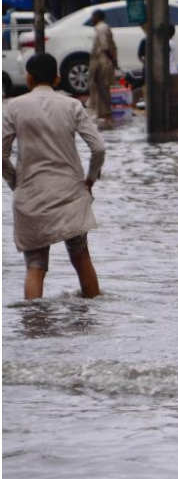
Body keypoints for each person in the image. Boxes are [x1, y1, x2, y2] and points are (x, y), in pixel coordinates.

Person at [3, 53, 105, 300]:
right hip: (69, 194)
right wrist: (89, 181)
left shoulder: (13, 107)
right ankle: (91, 317)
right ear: (58, 78)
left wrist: (16, 182)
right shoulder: (71, 106)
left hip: (31, 197)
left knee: (35, 265)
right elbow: (99, 148)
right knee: (81, 257)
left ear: (28, 78)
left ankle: (35, 328)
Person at [87, 9, 117, 122]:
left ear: (97, 17)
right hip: (100, 60)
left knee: (103, 88)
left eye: (93, 17)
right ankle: (102, 113)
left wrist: (113, 60)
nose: (92, 19)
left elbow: (105, 47)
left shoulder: (101, 28)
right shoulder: (101, 28)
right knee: (98, 87)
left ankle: (107, 113)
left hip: (102, 61)